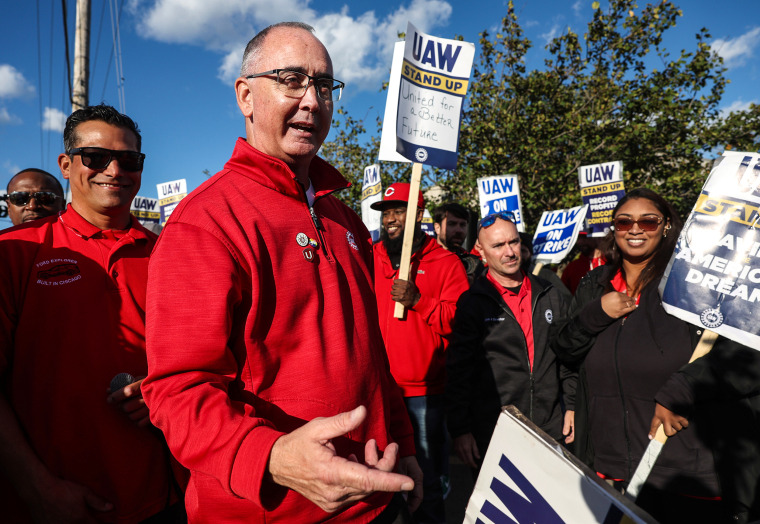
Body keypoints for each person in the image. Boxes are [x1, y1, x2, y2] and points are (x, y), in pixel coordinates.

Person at [141, 22, 421, 523]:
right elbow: (176, 391)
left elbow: (371, 357)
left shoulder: (344, 217)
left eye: (324, 85)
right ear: (246, 96)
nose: (312, 100)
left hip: (373, 500)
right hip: (270, 512)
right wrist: (269, 457)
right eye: (292, 79)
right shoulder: (204, 222)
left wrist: (406, 443)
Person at [0, 104, 182, 522]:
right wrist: (38, 489)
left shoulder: (171, 253)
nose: (114, 170)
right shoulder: (15, 252)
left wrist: (167, 392)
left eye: (129, 160)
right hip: (51, 503)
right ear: (66, 164)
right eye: (96, 158)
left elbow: (208, 361)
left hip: (161, 498)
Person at [549, 188, 724, 522]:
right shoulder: (592, 283)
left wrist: (679, 391)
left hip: (678, 469)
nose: (635, 229)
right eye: (624, 221)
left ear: (667, 226)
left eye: (648, 221)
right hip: (608, 467)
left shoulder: (690, 283)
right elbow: (565, 350)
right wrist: (594, 314)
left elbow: (729, 359)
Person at [447, 212, 575, 473]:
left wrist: (572, 405)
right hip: (495, 431)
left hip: (549, 428)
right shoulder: (473, 302)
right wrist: (461, 430)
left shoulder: (550, 293)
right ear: (481, 251)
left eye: (513, 242)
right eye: (498, 245)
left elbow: (568, 356)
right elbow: (459, 371)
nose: (509, 252)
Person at [371, 183, 469, 524]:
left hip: (424, 395)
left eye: (399, 211)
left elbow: (460, 324)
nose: (391, 219)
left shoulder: (444, 263)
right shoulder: (371, 257)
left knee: (424, 486)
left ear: (418, 214)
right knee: (379, 485)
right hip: (378, 392)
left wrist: (418, 301)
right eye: (386, 213)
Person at [433, 202, 483, 282]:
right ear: (437, 228)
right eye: (452, 224)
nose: (458, 230)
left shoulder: (473, 265)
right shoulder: (423, 261)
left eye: (462, 225)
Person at [519, 232, 571, 301]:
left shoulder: (546, 275)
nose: (519, 255)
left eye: (523, 251)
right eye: (516, 250)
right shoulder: (504, 279)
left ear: (531, 253)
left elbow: (567, 300)